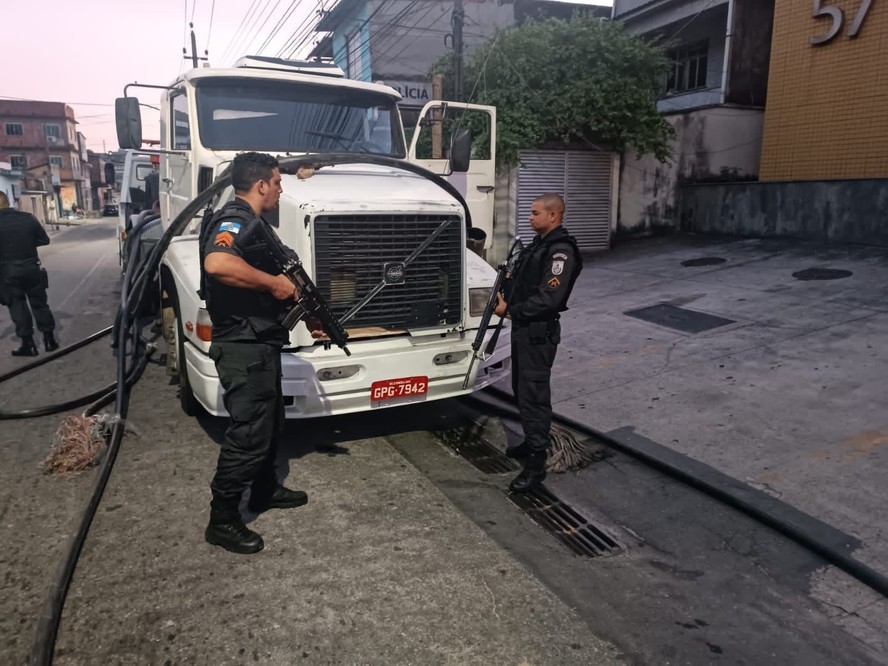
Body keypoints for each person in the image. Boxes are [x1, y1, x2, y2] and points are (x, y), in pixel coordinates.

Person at [201, 152, 318, 555]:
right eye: (278, 182)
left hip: (260, 343)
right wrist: (273, 283)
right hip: (242, 346)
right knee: (248, 435)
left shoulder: (256, 226)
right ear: (262, 184)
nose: (281, 189)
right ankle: (223, 520)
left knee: (269, 425)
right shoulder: (234, 219)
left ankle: (265, 490)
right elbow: (217, 263)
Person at [494, 193, 583, 492]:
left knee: (533, 398)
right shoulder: (539, 245)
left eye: (535, 213)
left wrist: (511, 310)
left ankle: (536, 465)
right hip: (524, 329)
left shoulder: (560, 251)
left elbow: (550, 297)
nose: (530, 217)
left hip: (537, 333)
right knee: (521, 391)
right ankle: (531, 445)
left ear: (553, 216)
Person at [0, 192, 59, 356]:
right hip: (32, 268)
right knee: (40, 304)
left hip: (8, 272)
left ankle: (29, 345)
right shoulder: (28, 218)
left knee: (18, 307)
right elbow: (44, 240)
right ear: (8, 202)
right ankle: (49, 341)